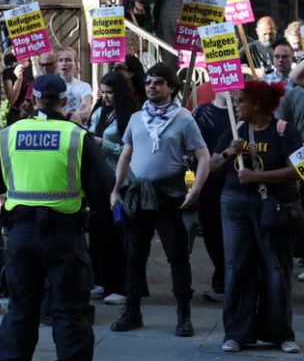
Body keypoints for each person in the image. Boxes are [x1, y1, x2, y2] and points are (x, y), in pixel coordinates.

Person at [0, 74, 111, 361]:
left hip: (20, 235)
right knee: (70, 313)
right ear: (64, 101)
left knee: (21, 310)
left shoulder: (8, 135)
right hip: (64, 234)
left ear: (32, 99)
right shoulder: (76, 137)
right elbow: (102, 189)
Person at [110, 64, 210, 337]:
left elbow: (203, 156)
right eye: (149, 82)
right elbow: (125, 155)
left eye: (158, 83)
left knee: (177, 256)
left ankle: (183, 315)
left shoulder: (183, 118)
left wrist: (196, 189)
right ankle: (132, 312)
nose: (152, 86)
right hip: (139, 195)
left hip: (170, 196)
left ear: (171, 88)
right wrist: (116, 189)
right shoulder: (136, 118)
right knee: (134, 255)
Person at [210, 81, 300, 354]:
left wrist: (256, 177)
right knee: (237, 267)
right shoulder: (235, 130)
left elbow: (300, 170)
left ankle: (280, 333)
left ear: (257, 105)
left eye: (241, 101)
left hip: (272, 207)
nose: (236, 106)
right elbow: (212, 166)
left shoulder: (285, 131)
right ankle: (237, 333)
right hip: (235, 205)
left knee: (276, 269)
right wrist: (229, 153)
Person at [87, 71, 136, 304]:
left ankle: (122, 285)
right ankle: (102, 280)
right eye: (103, 92)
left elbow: (130, 150)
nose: (106, 97)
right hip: (99, 183)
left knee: (120, 234)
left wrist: (103, 144)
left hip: (121, 183)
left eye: (110, 93)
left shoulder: (130, 116)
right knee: (99, 235)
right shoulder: (99, 112)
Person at [193, 92, 232, 304]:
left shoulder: (242, 114)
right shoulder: (201, 112)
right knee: (212, 231)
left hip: (236, 181)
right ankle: (221, 276)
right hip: (208, 180)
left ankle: (228, 280)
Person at [57, 48, 94, 126]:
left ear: (76, 64)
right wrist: (75, 115)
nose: (64, 63)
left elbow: (86, 113)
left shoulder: (84, 86)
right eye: (60, 60)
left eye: (68, 60)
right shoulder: (52, 86)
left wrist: (58, 115)